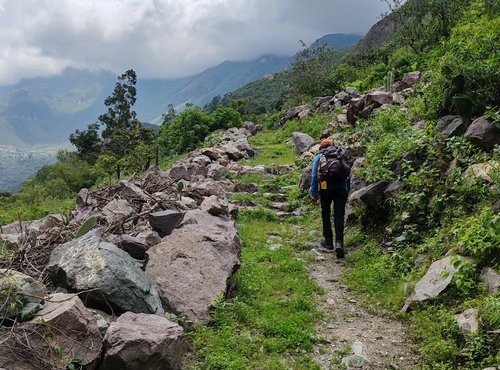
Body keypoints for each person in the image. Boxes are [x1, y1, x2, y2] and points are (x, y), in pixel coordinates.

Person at [310, 138, 350, 257]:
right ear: (333, 145)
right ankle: (339, 243)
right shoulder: (340, 154)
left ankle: (328, 242)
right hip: (341, 188)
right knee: (339, 216)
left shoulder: (320, 156)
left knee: (326, 213)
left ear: (321, 148)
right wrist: (347, 191)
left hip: (325, 188)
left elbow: (313, 176)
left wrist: (314, 193)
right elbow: (348, 174)